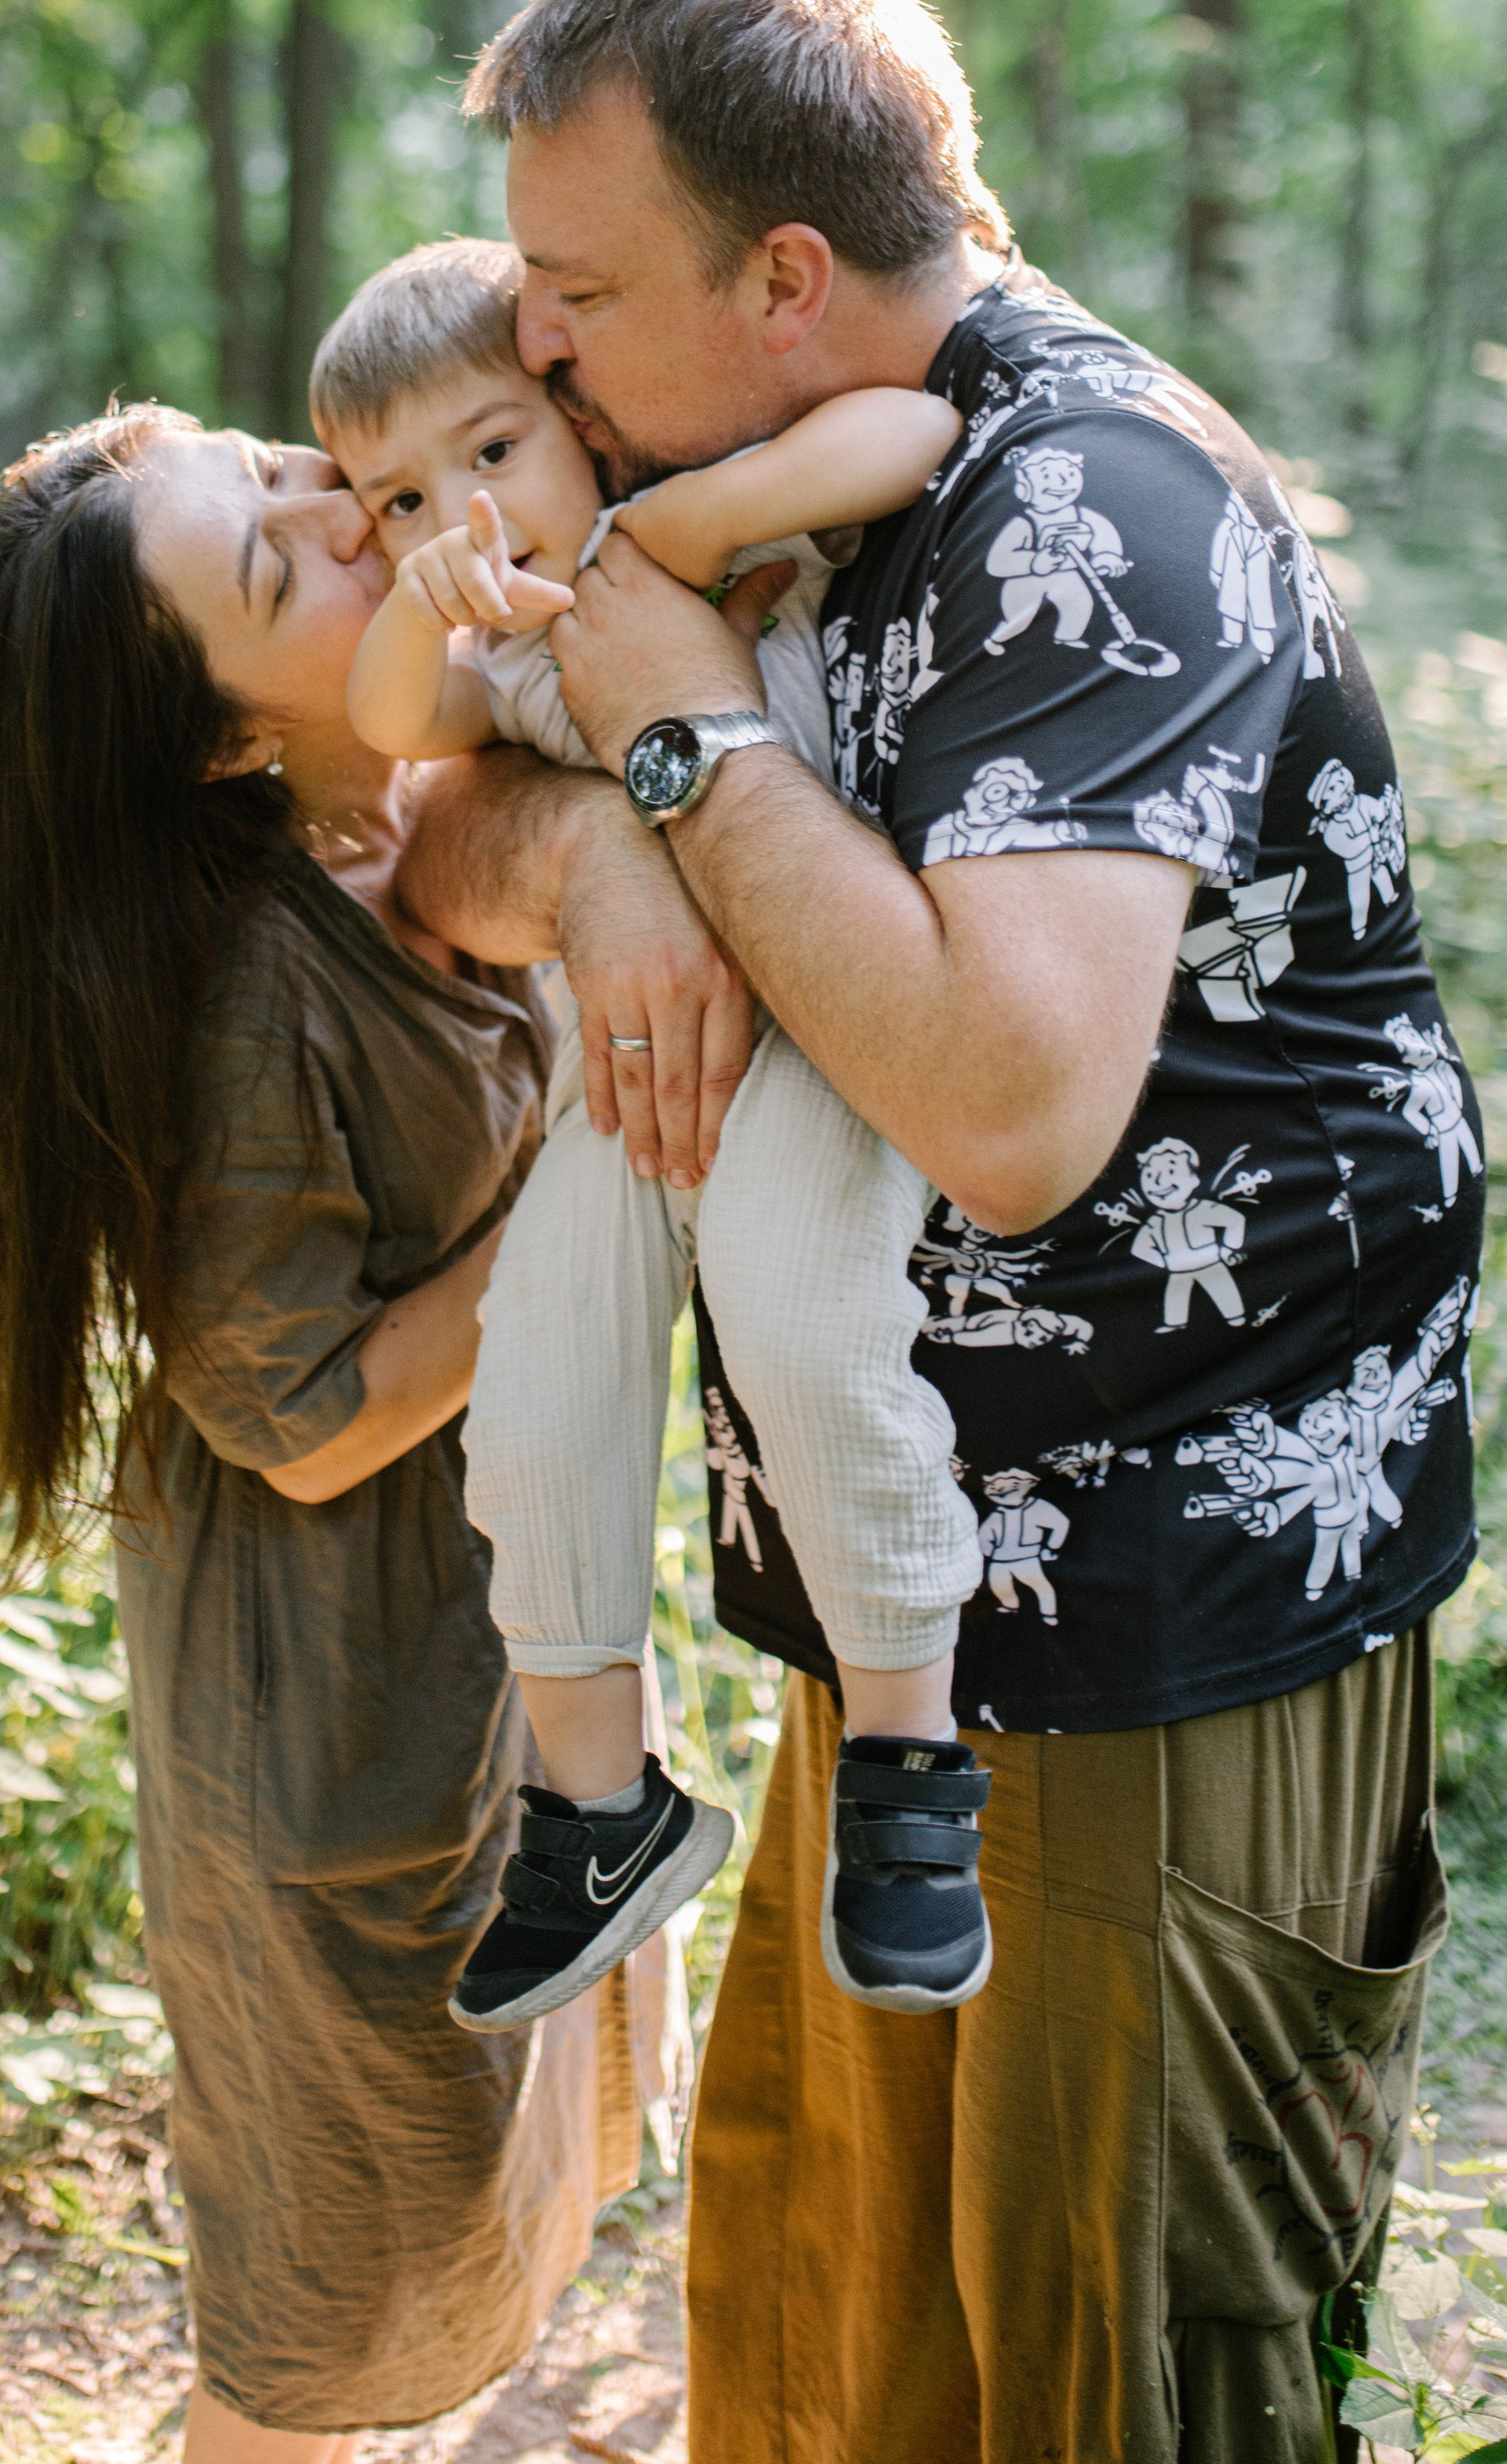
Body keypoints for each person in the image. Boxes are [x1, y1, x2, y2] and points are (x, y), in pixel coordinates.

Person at [398, 0, 1478, 2463]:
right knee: (838, 2355)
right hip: (901, 1638)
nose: (526, 340)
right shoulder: (722, 467)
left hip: (1165, 1616)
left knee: (1104, 2375)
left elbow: (1005, 1115)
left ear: (785, 275)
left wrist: (677, 750)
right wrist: (615, 843)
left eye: (577, 289)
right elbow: (426, 834)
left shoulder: (1092, 506)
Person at [0, 406, 732, 2463]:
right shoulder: (253, 984)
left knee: (467, 2197)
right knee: (327, 2295)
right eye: (274, 565)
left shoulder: (405, 808)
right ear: (222, 743)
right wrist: (619, 1177)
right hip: (339, 1707)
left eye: (268, 463)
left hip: (482, 1645)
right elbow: (309, 1413)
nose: (338, 506)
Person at [309, 239, 989, 2031]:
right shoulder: (494, 649)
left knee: (796, 1322)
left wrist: (674, 532)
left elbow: (911, 427)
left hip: (827, 1029)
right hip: (643, 1072)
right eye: (395, 494)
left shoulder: (680, 533)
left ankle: (910, 1772)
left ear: (579, 420)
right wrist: (425, 591)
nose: (456, 511)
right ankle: (599, 1807)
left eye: (489, 452)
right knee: (532, 1388)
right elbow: (393, 720)